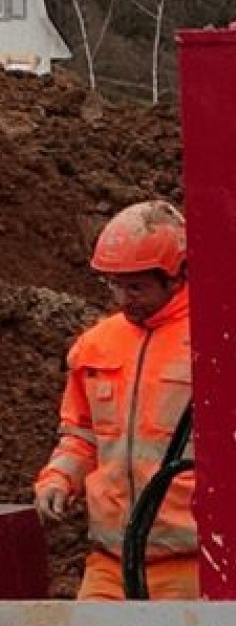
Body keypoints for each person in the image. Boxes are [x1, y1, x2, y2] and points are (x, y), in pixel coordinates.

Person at [33, 200, 199, 600]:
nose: (124, 297)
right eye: (114, 284)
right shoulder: (96, 346)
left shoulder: (212, 342)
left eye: (136, 286)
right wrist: (58, 479)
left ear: (176, 278)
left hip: (189, 562)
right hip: (109, 560)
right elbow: (81, 435)